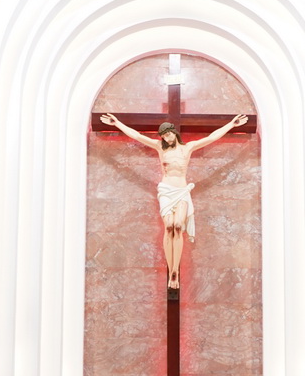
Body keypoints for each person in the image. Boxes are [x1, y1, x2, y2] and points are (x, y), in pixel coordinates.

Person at [97, 111, 249, 290]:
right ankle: (172, 271)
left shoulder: (187, 148)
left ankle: (175, 270)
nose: (166, 138)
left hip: (182, 192)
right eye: (163, 136)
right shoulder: (160, 148)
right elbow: (137, 135)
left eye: (168, 134)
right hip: (166, 191)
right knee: (169, 227)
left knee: (177, 226)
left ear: (174, 132)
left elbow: (211, 138)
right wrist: (116, 123)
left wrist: (231, 124)